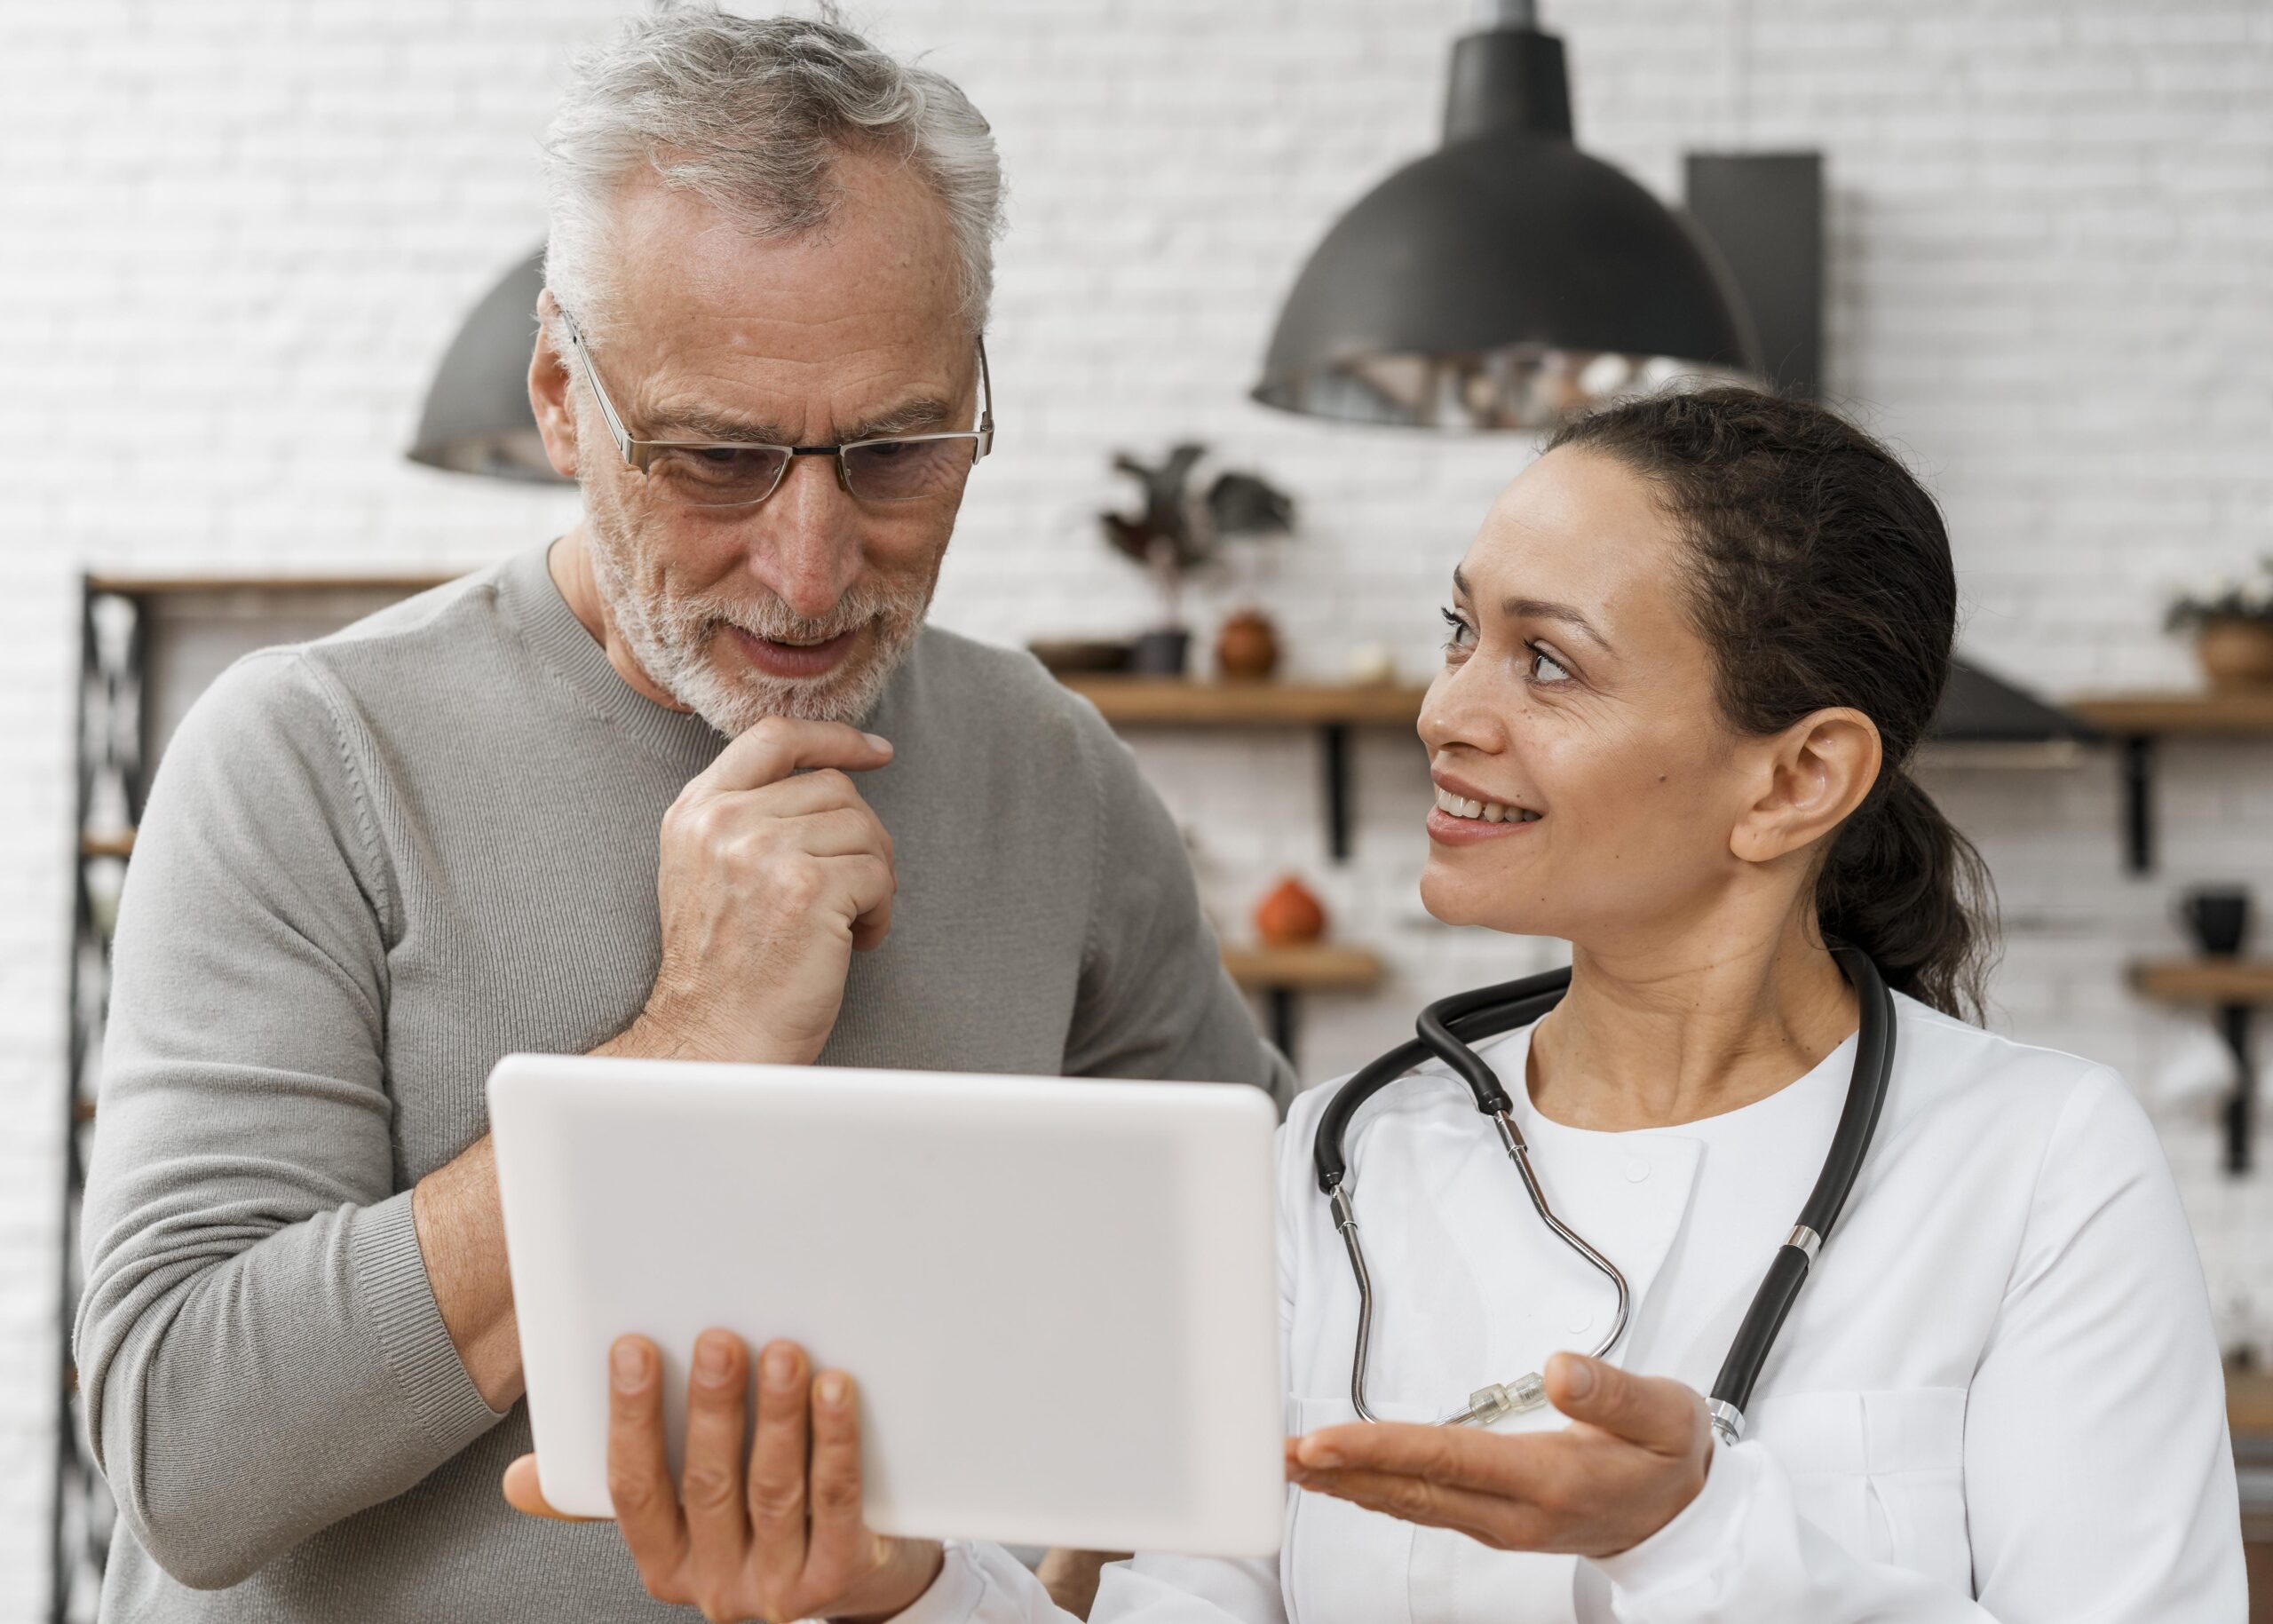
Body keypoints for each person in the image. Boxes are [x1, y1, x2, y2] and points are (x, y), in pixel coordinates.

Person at [524, 388, 2248, 1622]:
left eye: (1545, 661)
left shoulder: (2034, 1166)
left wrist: (1699, 1530)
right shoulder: (1340, 1163)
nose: (1446, 711)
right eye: (1457, 633)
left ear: (1796, 778)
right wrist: (901, 1585)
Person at [73, 9, 1287, 1621]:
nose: (811, 566)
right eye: (715, 458)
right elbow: (187, 1453)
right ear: (561, 395)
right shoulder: (307, 755)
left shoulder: (1050, 768)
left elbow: (1273, 1295)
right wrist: (689, 1046)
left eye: (898, 451)